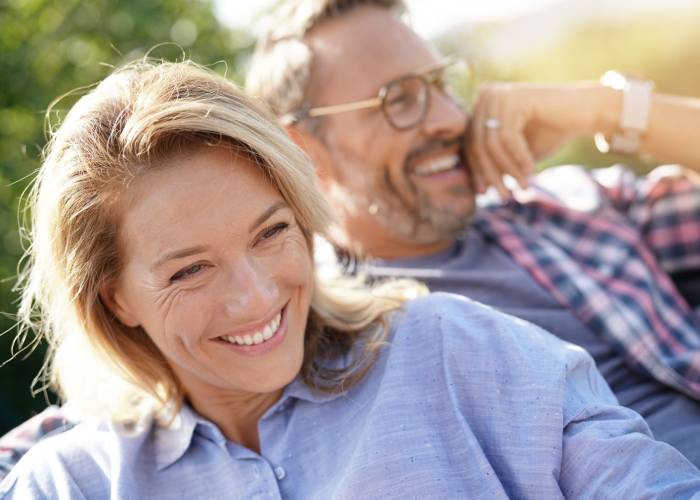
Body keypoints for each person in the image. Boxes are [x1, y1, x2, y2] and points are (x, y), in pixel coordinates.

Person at [2, 60, 700, 499]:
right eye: (190, 270)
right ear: (114, 297)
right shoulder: (69, 482)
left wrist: (616, 107)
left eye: (271, 233)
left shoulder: (458, 350)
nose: (254, 297)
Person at [243, 0, 700, 466]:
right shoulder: (317, 331)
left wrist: (605, 109)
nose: (450, 118)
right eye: (399, 99)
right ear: (304, 149)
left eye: (442, 85)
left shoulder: (564, 205)